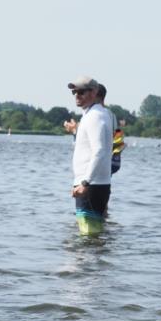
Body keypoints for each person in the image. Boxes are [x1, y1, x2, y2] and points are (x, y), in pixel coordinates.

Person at [67, 76, 114, 235]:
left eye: (81, 92)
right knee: (92, 238)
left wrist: (85, 183)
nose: (77, 96)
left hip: (91, 186)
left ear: (94, 92)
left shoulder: (95, 116)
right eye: (74, 92)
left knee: (89, 237)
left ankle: (91, 259)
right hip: (92, 184)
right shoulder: (95, 114)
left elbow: (99, 151)